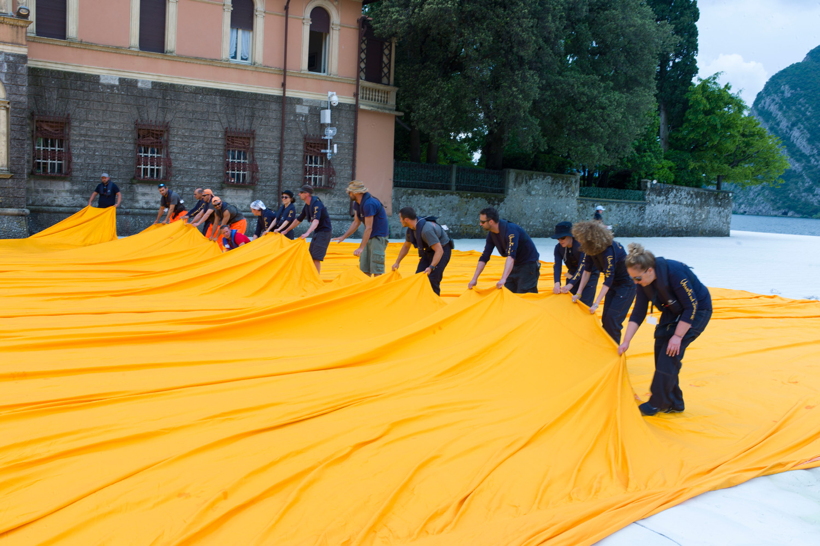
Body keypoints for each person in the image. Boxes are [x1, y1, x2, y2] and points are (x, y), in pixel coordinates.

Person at [618, 244, 712, 416]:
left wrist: (677, 336)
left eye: (637, 278)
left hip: (697, 311)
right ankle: (674, 402)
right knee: (661, 352)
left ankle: (657, 403)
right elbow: (638, 312)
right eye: (632, 278)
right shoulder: (643, 282)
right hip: (672, 310)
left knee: (670, 354)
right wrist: (626, 341)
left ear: (649, 270)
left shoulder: (674, 273)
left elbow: (691, 307)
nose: (635, 282)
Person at [568, 221, 636, 343]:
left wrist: (596, 303)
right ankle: (607, 348)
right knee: (606, 319)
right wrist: (578, 293)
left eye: (580, 239)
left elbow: (608, 278)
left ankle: (615, 351)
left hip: (626, 285)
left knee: (612, 319)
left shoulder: (608, 251)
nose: (578, 241)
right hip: (613, 284)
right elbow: (587, 271)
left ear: (590, 238)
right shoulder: (590, 249)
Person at [468, 207, 540, 293]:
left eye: (482, 222)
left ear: (491, 221)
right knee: (507, 293)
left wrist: (503, 278)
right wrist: (474, 279)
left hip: (528, 265)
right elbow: (484, 256)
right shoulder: (492, 234)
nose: (480, 224)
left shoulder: (511, 231)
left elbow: (511, 256)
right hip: (514, 265)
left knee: (524, 296)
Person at [332, 180, 390, 276]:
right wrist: (343, 237)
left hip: (378, 237)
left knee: (376, 268)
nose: (348, 194)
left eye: (350, 192)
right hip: (369, 236)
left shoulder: (369, 204)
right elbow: (356, 222)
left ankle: (376, 289)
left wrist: (361, 247)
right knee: (364, 268)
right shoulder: (358, 204)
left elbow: (369, 227)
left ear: (356, 192)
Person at [392, 207, 452, 295]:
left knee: (433, 278)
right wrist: (397, 262)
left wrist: (431, 267)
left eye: (400, 218)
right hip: (429, 250)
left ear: (406, 219)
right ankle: (421, 301)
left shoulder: (426, 230)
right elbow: (406, 246)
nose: (400, 220)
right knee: (419, 277)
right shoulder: (411, 230)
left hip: (442, 250)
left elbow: (439, 250)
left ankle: (434, 304)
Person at [281, 185, 332, 272]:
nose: (298, 194)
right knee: (311, 255)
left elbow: (316, 221)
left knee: (316, 257)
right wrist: (286, 230)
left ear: (307, 194)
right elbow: (298, 220)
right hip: (317, 231)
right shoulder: (307, 205)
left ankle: (316, 279)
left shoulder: (317, 204)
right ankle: (312, 276)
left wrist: (307, 233)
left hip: (324, 232)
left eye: (301, 193)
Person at [551, 221, 599, 306]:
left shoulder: (581, 246)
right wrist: (557, 283)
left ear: (571, 235)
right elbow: (557, 265)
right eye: (558, 238)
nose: (560, 241)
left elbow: (582, 267)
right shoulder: (558, 248)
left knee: (584, 303)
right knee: (569, 300)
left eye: (562, 238)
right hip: (572, 272)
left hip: (589, 273)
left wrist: (570, 284)